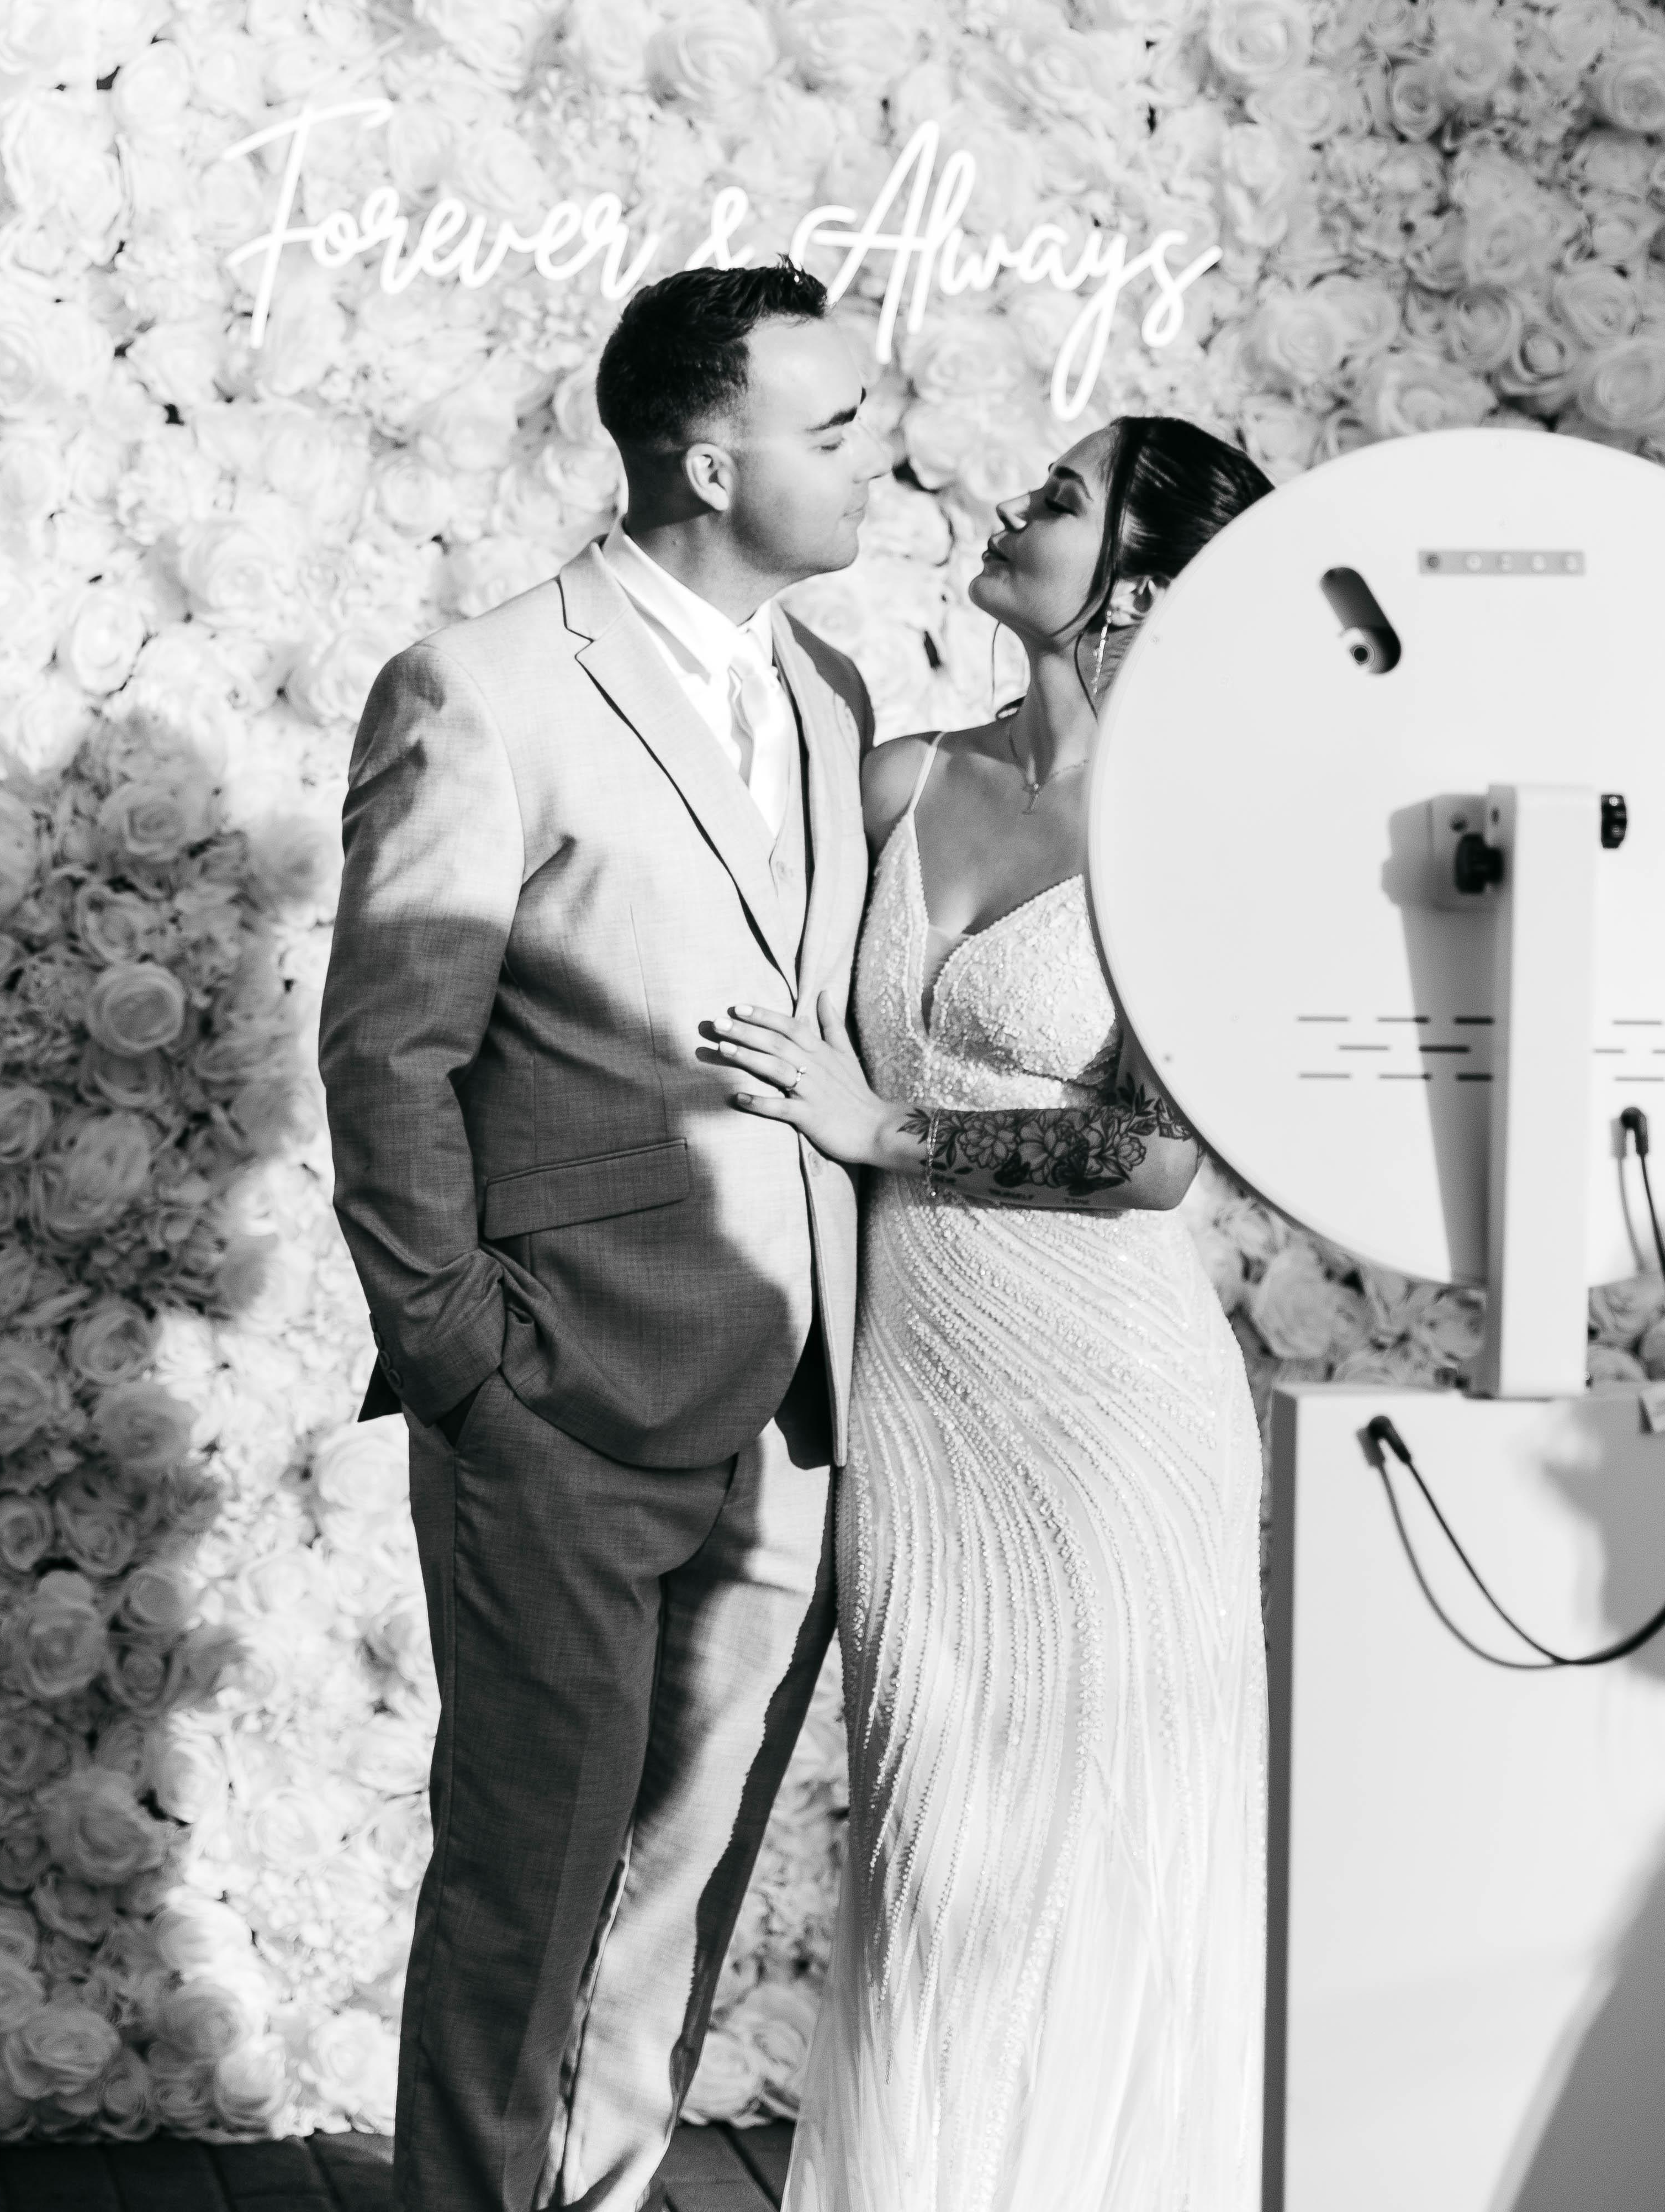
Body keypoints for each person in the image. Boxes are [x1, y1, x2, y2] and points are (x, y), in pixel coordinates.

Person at [318, 262, 887, 2212]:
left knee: (684, 1884)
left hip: (795, 1408)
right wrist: (463, 1355)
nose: (877, 457)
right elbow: (391, 1051)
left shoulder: (830, 696)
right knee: (528, 1878)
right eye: (837, 427)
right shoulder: (480, 687)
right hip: (558, 1393)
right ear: (708, 463)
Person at [701, 415, 1274, 2212]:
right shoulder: (900, 779)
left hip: (1110, 1417)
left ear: (1139, 589)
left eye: (1061, 500)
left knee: (1084, 1889)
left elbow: (1151, 1156)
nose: (1012, 508)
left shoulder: (1204, 828)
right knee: (935, 1867)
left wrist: (883, 1133)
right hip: (920, 1412)